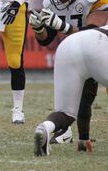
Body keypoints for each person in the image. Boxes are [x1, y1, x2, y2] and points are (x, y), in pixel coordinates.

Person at [29, 0, 108, 151]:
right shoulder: (51, 1)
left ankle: (54, 131)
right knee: (84, 96)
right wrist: (39, 29)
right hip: (90, 48)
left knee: (72, 106)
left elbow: (92, 30)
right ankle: (82, 140)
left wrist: (62, 26)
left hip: (92, 44)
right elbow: (46, 41)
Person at [34, 26, 108, 156]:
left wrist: (83, 139)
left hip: (67, 45)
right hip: (98, 43)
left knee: (65, 114)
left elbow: (86, 99)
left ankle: (45, 127)